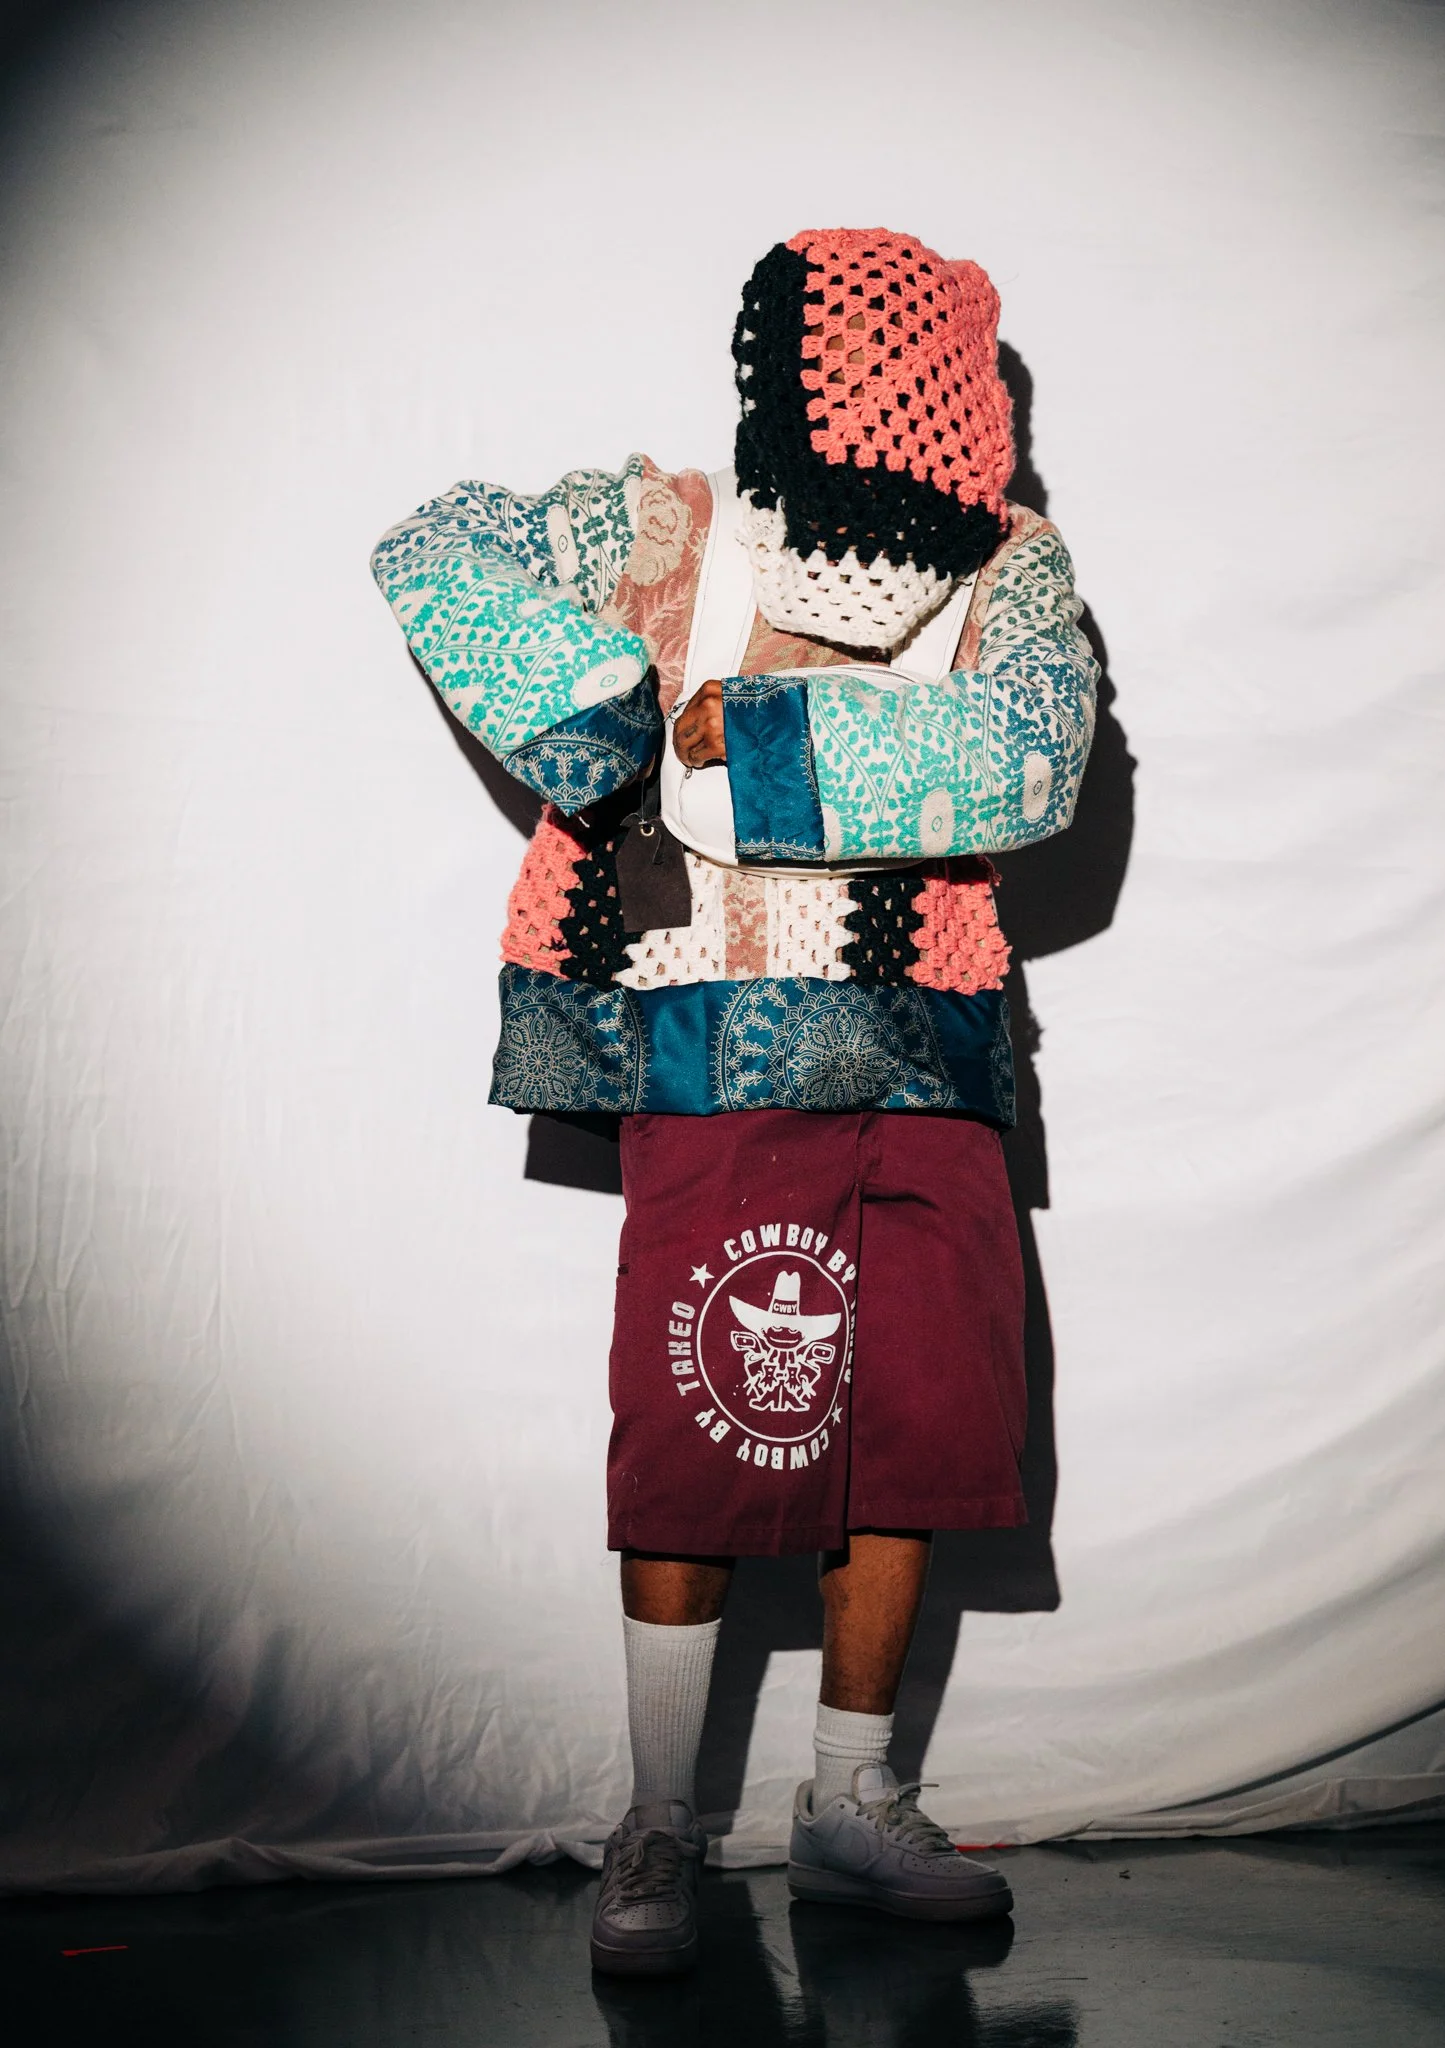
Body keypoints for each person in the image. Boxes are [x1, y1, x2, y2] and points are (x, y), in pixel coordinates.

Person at [371, 228, 1099, 1976]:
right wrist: (605, 716)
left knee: (914, 1416)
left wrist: (742, 745)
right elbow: (430, 543)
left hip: (925, 1037)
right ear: (792, 393)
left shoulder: (1011, 563)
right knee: (707, 1407)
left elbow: (1034, 757)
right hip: (710, 1033)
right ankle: (659, 1824)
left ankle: (851, 1801)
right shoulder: (670, 525)